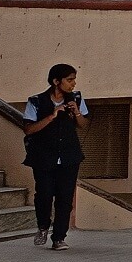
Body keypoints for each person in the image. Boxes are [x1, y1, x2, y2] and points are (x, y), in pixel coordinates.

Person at [22, 63, 89, 250]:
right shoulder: (36, 101)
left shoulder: (76, 99)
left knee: (65, 198)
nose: (73, 84)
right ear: (56, 81)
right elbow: (28, 129)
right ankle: (43, 225)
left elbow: (83, 125)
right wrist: (52, 116)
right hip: (44, 156)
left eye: (74, 79)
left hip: (69, 157)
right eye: (69, 80)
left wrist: (76, 112)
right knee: (44, 194)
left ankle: (59, 237)